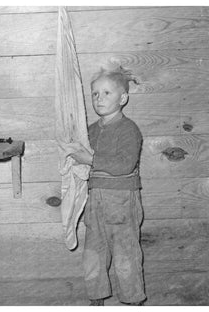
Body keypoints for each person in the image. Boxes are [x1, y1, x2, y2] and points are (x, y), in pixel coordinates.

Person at [59, 65, 146, 306]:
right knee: (93, 257)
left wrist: (90, 159)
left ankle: (132, 301)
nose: (99, 99)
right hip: (95, 203)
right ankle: (96, 301)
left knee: (125, 257)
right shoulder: (91, 131)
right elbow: (81, 164)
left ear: (123, 98)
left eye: (107, 93)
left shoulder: (129, 130)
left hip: (121, 203)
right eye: (95, 94)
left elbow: (124, 165)